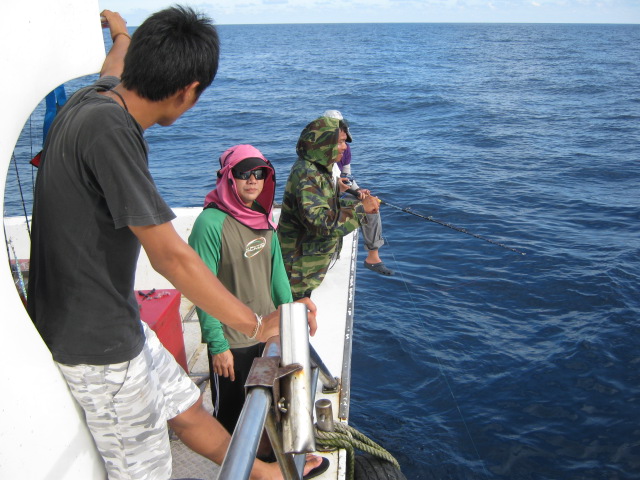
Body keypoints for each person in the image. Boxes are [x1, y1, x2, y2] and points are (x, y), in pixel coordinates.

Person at [26, 8, 321, 480]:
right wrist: (255, 324)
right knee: (149, 471)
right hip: (98, 347)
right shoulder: (111, 132)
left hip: (116, 321)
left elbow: (114, 62)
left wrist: (120, 30)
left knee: (187, 410)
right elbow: (171, 257)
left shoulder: (93, 98)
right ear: (188, 92)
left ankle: (271, 476)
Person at [189, 145, 316, 462]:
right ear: (228, 178)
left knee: (272, 403)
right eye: (243, 173)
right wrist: (217, 345)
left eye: (259, 173)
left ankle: (267, 460)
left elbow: (277, 279)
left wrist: (291, 319)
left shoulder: (262, 217)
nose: (252, 180)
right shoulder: (210, 224)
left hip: (268, 333)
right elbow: (201, 287)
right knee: (231, 415)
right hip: (232, 341)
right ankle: (234, 466)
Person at [278, 115, 380, 300]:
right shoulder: (307, 174)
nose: (344, 147)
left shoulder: (317, 169)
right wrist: (360, 209)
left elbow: (323, 207)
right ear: (324, 143)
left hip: (303, 270)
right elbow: (321, 224)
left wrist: (354, 201)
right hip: (296, 275)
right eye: (340, 142)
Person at [323, 109, 394, 276]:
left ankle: (373, 257)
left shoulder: (345, 150)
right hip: (324, 199)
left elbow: (345, 177)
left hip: (338, 192)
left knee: (371, 203)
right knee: (363, 207)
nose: (342, 146)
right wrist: (339, 188)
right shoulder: (316, 159)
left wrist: (358, 191)